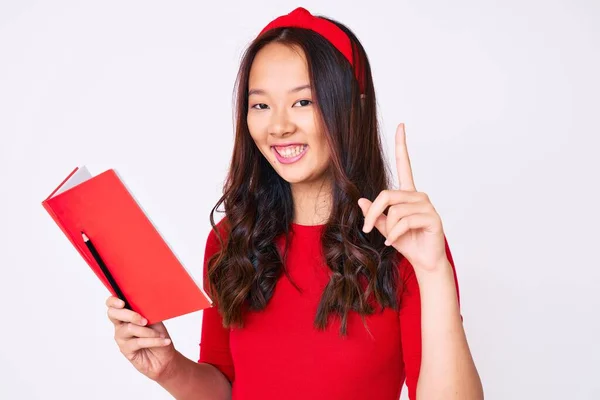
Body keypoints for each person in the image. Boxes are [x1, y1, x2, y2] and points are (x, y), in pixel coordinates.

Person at [105, 7, 483, 400]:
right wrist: (169, 369)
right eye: (261, 105)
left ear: (353, 107)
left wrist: (434, 271)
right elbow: (225, 387)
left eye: (303, 102)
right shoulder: (230, 240)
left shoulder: (405, 244)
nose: (279, 126)